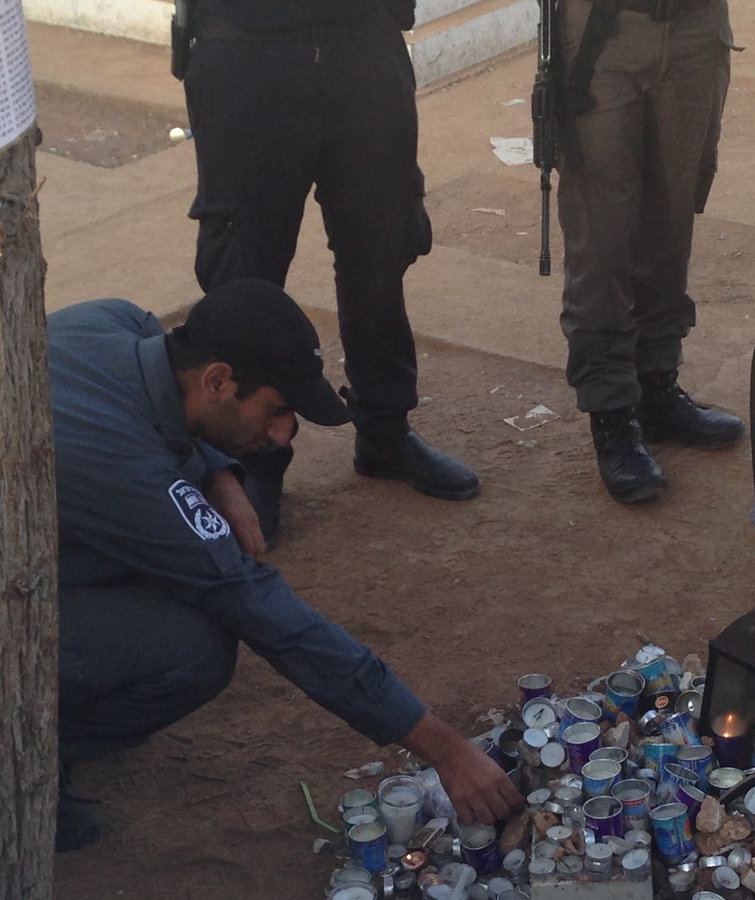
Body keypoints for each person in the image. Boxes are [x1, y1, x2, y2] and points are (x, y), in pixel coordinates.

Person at [49, 280, 523, 851]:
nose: (282, 435)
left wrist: (220, 473)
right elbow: (261, 609)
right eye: (276, 410)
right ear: (218, 380)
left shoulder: (111, 321)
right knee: (195, 647)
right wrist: (444, 748)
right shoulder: (123, 468)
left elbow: (154, 343)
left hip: (34, 537)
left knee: (173, 568)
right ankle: (18, 751)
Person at [179, 0, 477, 545]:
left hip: (363, 39)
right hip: (246, 46)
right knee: (246, 270)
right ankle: (253, 460)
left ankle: (385, 430)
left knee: (381, 250)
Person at [553, 0, 746, 503]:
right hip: (603, 29)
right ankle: (612, 411)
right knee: (603, 233)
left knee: (671, 217)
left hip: (696, 29)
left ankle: (656, 384)